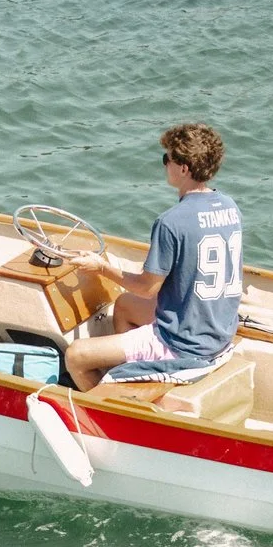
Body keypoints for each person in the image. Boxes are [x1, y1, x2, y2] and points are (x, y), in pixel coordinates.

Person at [64, 123, 243, 393]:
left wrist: (101, 267)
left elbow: (147, 289)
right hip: (217, 332)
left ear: (183, 168)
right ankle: (130, 382)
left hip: (181, 343)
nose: (164, 166)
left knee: (76, 355)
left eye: (166, 159)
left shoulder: (171, 222)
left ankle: (102, 404)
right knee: (124, 305)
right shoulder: (230, 207)